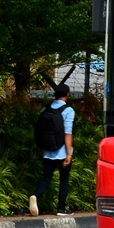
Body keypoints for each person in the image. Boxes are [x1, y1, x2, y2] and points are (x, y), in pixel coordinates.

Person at [29, 84, 74, 217]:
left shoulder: (45, 109)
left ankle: (35, 196)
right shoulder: (68, 110)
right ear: (67, 94)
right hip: (62, 151)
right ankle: (61, 208)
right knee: (64, 180)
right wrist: (69, 154)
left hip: (47, 150)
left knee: (46, 177)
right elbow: (67, 133)